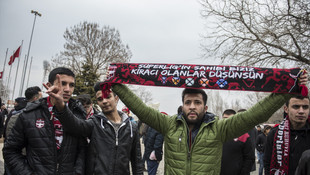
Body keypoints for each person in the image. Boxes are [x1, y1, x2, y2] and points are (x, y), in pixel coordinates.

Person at [109, 72, 308, 174]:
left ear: (205, 107)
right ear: (183, 106)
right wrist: (117, 86)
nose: (192, 107)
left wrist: (287, 88)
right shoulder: (168, 124)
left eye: (197, 102)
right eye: (188, 103)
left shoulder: (219, 128)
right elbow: (141, 109)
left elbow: (254, 115)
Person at [45, 81, 143, 174]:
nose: (104, 101)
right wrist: (60, 105)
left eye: (108, 97)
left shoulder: (131, 127)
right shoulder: (94, 122)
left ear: (116, 98)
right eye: (100, 99)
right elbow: (75, 125)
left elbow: (137, 162)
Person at [3, 67, 87, 175]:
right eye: (62, 83)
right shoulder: (30, 114)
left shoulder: (78, 113)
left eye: (71, 85)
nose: (67, 89)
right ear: (49, 85)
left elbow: (83, 151)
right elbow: (10, 151)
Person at [264, 94, 310, 175]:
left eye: (305, 107)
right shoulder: (274, 134)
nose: (301, 111)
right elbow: (267, 163)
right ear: (286, 109)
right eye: (296, 107)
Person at [220, 109, 255, 175]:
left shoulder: (243, 135)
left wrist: (243, 172)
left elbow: (249, 158)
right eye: (225, 118)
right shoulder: (217, 134)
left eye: (231, 119)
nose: (227, 121)